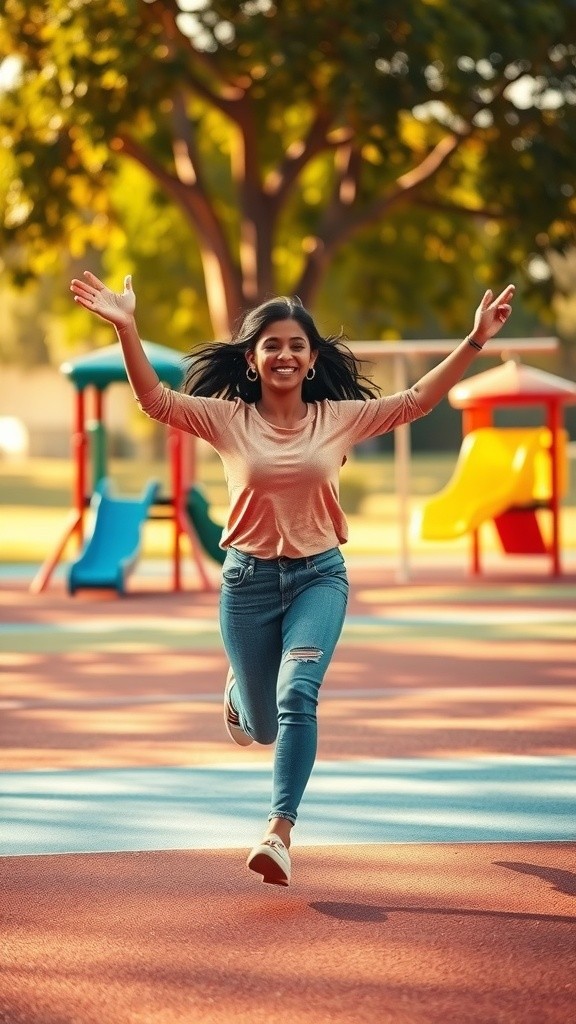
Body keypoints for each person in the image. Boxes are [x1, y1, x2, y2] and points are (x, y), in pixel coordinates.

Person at [70, 270, 514, 887]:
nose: (285, 354)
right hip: (246, 583)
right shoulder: (229, 420)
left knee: (297, 694)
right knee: (260, 724)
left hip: (318, 578)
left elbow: (414, 401)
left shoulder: (338, 418)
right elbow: (157, 403)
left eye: (297, 345)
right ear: (253, 359)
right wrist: (128, 328)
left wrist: (472, 341)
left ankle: (279, 831)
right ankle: (236, 698)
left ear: (311, 359)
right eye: (272, 344)